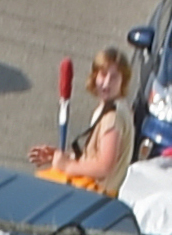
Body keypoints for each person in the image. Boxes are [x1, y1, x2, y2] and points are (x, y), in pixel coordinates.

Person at [31, 45, 136, 193]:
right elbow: (95, 157)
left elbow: (105, 166)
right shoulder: (113, 108)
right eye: (103, 75)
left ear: (123, 82)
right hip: (95, 190)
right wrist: (64, 157)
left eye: (114, 77)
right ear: (94, 77)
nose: (106, 83)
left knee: (38, 187)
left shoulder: (112, 117)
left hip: (97, 194)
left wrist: (68, 166)